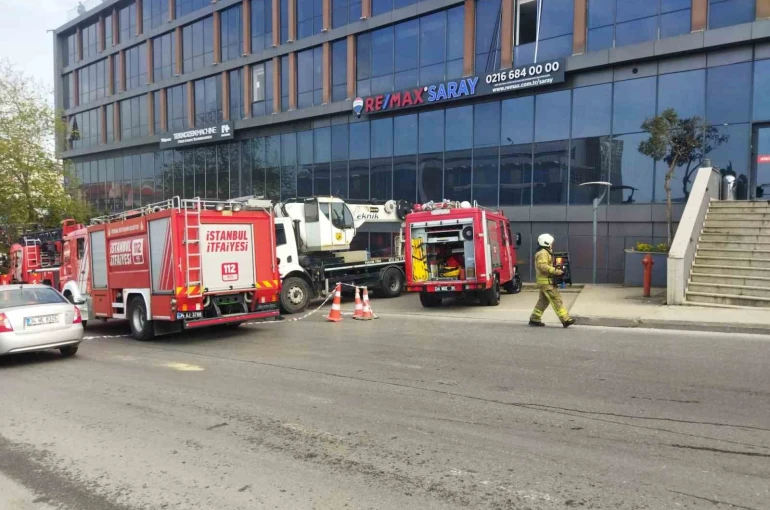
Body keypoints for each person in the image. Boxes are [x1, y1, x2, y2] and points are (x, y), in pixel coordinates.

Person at [529, 233, 575, 328]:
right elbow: (542, 266)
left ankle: (534, 319)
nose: (552, 245)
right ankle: (565, 319)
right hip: (546, 283)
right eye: (551, 243)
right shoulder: (543, 253)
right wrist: (556, 271)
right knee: (556, 299)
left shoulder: (545, 252)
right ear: (546, 243)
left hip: (546, 282)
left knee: (543, 301)